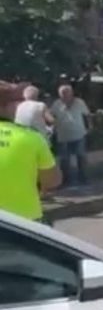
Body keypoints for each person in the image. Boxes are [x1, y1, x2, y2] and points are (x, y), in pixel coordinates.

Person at [0, 81, 62, 223]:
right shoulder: (31, 138)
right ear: (6, 106)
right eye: (17, 101)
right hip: (24, 223)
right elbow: (53, 181)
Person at [50, 84, 91, 187]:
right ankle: (66, 180)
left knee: (81, 156)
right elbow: (51, 116)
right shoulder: (57, 104)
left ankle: (83, 178)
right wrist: (52, 128)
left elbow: (87, 115)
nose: (64, 96)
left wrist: (89, 127)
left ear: (71, 93)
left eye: (66, 93)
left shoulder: (79, 102)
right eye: (62, 94)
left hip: (79, 133)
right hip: (63, 135)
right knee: (64, 159)